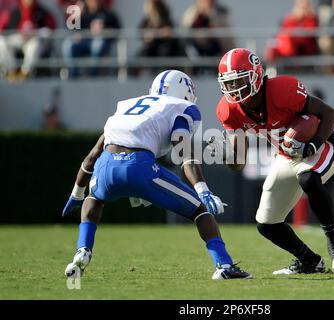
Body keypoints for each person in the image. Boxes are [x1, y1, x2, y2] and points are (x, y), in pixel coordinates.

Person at [62, 69, 252, 280]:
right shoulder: (180, 107)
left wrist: (77, 193)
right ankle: (224, 266)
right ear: (185, 93)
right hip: (139, 166)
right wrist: (203, 190)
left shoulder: (126, 106)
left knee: (94, 198)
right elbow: (184, 154)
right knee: (200, 210)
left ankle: (82, 250)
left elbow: (91, 158)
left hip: (106, 165)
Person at [211, 48, 334, 274]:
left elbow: (330, 114)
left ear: (256, 75)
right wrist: (226, 155)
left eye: (240, 81)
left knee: (308, 179)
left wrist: (314, 143)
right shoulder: (228, 110)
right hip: (286, 157)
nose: (234, 90)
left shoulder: (282, 90)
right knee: (266, 224)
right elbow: (238, 163)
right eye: (229, 83)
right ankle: (310, 261)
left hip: (317, 148)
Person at [62, 0, 121, 78]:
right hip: (82, 44)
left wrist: (104, 29)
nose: (94, 2)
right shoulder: (81, 13)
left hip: (100, 46)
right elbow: (69, 28)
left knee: (97, 43)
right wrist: (75, 17)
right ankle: (74, 74)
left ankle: (93, 75)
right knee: (68, 44)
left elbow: (117, 31)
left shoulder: (108, 14)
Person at [0, 0, 56, 81]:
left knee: (34, 45)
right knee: (1, 43)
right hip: (18, 39)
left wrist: (34, 33)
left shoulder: (41, 12)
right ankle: (11, 71)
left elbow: (49, 31)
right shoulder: (14, 11)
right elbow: (3, 29)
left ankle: (25, 73)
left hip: (32, 40)